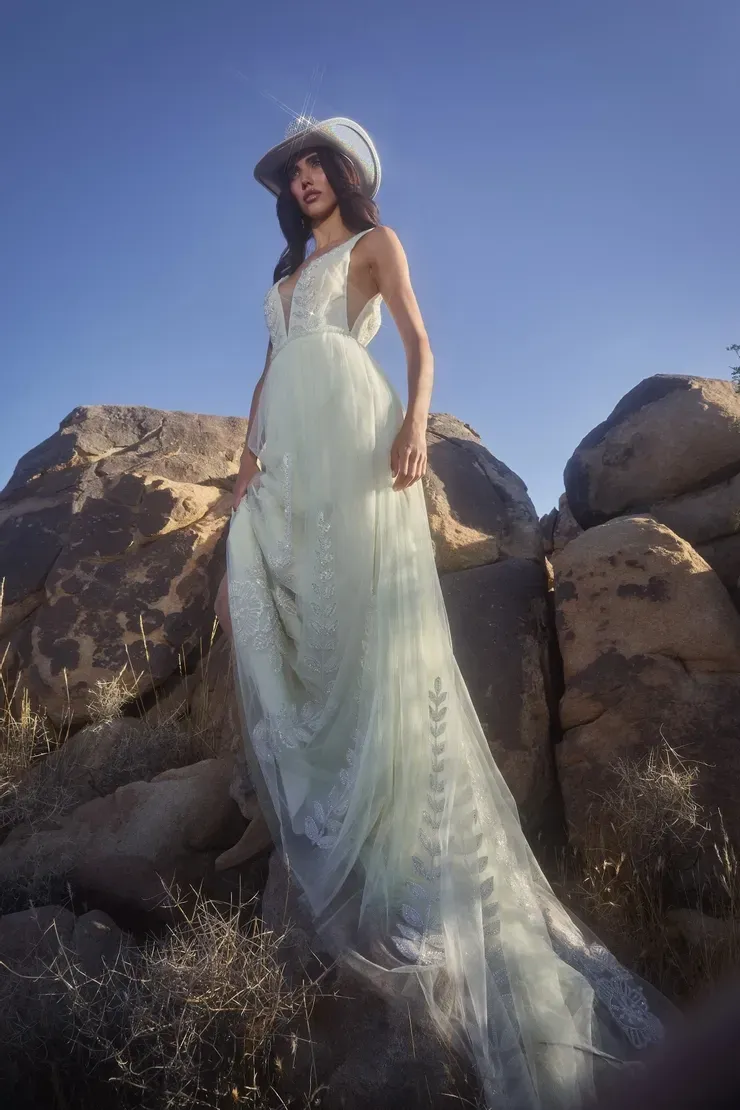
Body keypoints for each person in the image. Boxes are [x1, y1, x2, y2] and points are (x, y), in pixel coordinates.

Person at [215, 115, 669, 1109]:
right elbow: (265, 371)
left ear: (344, 177)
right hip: (289, 436)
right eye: (292, 170)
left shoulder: (376, 247)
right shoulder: (286, 282)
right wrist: (246, 459)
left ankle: (400, 840)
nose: (303, 179)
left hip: (354, 423)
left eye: (316, 165)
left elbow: (420, 341)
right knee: (266, 578)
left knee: (365, 616)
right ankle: (323, 775)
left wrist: (415, 425)